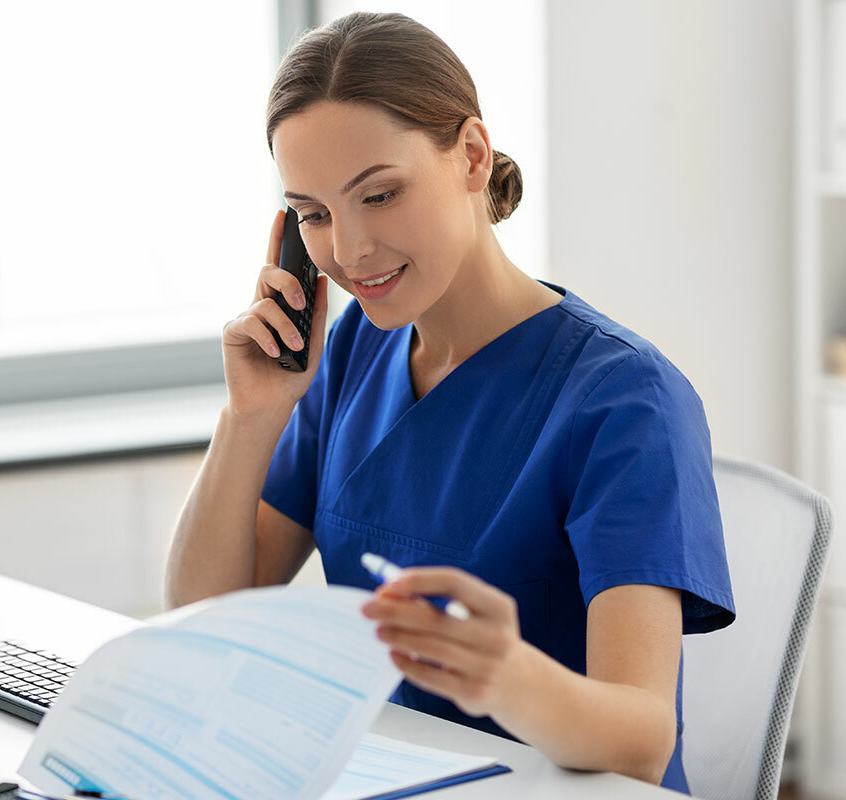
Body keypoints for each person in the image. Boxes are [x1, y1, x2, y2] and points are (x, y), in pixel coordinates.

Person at [164, 10, 733, 793]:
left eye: (381, 194)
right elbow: (202, 618)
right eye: (314, 214)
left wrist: (508, 676)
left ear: (470, 155)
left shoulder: (624, 399)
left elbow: (641, 738)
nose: (350, 250)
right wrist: (251, 416)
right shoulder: (354, 352)